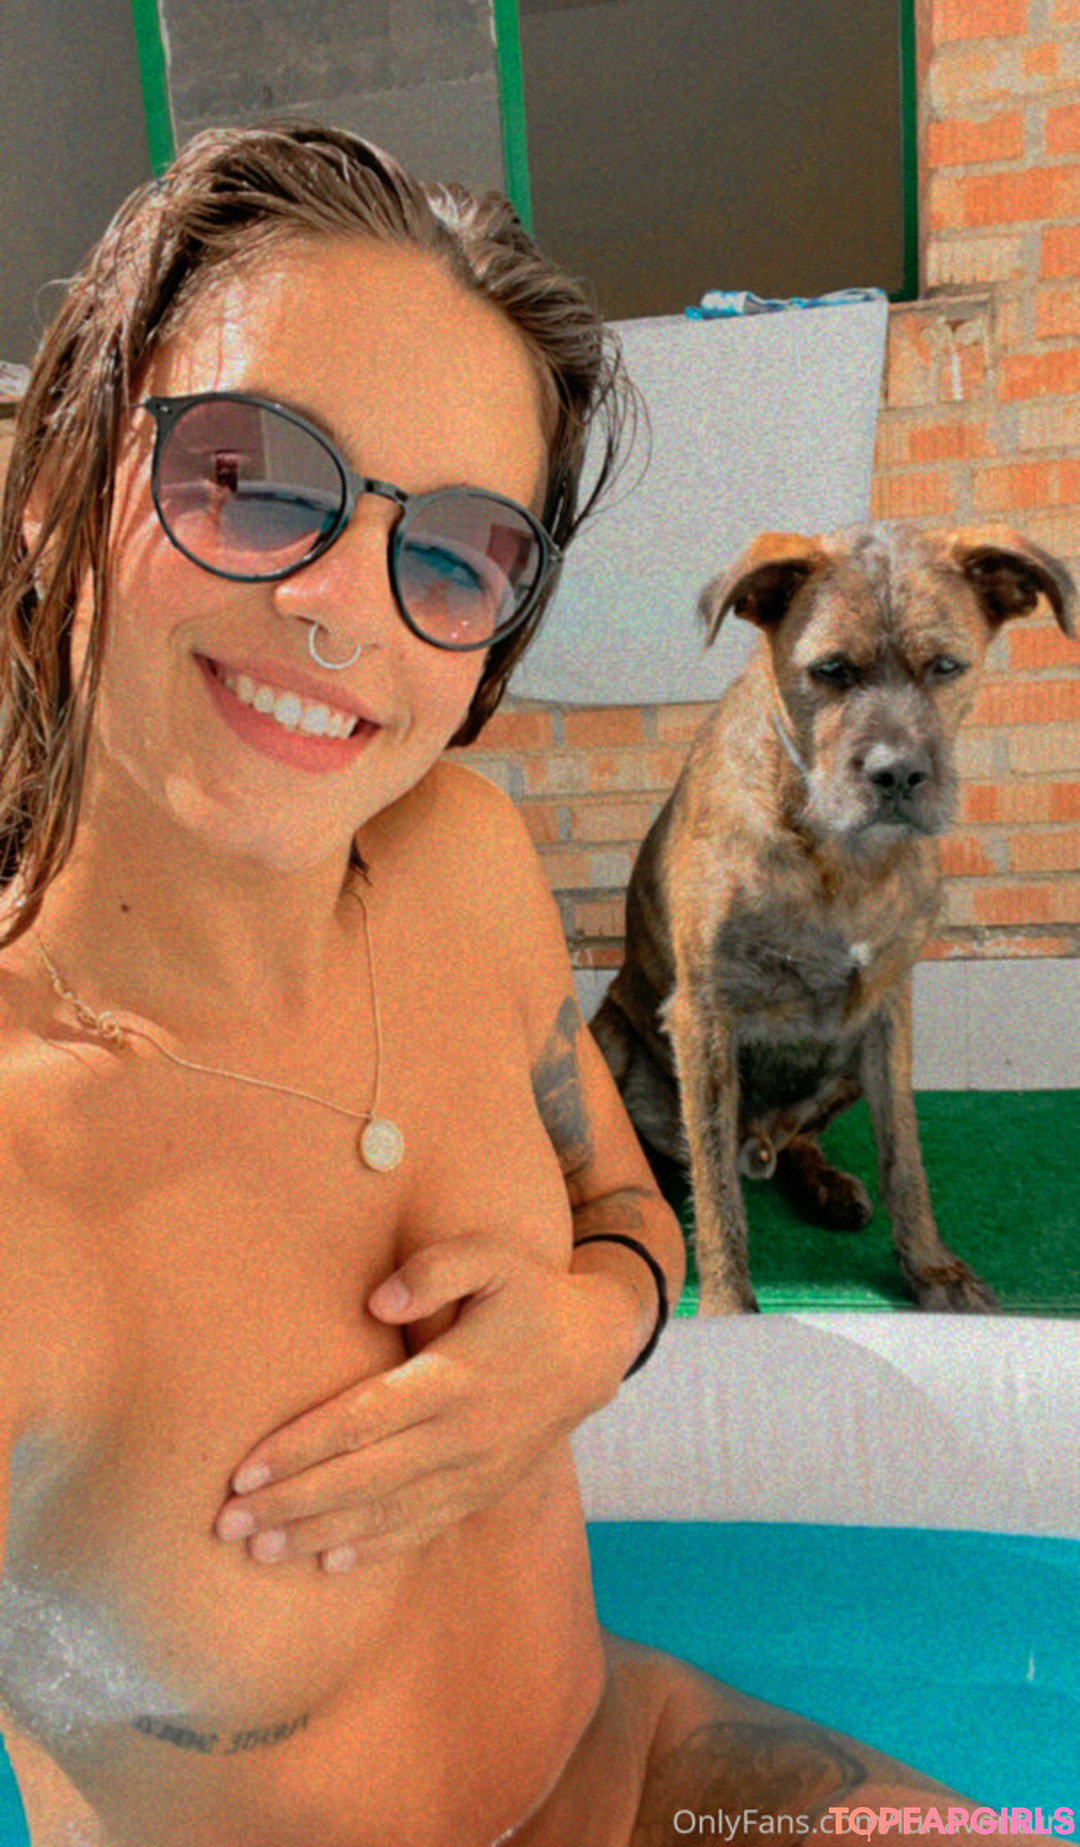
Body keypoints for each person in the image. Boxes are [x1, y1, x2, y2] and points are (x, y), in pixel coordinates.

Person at [0, 123, 994, 1847]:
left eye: (457, 550)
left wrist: (587, 1330)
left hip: (647, 1754)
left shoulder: (458, 869)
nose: (342, 609)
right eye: (248, 474)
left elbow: (623, 1200)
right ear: (57, 487)